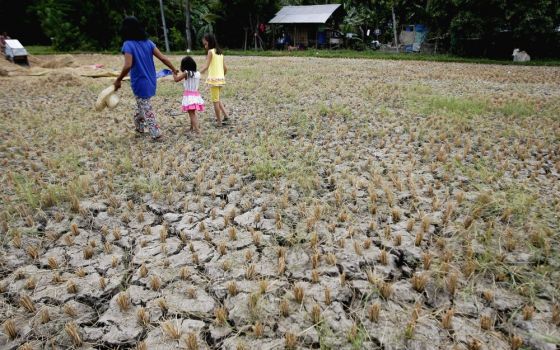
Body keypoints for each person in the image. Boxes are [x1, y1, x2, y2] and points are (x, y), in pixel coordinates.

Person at [114, 16, 178, 140]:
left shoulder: (128, 45)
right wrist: (173, 68)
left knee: (145, 107)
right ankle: (139, 127)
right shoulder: (148, 43)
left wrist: (118, 79)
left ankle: (156, 133)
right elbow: (163, 58)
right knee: (142, 105)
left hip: (139, 82)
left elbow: (127, 65)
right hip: (151, 80)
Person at [200, 33, 229, 127]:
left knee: (215, 101)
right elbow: (225, 69)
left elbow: (206, 66)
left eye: (205, 44)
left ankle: (219, 122)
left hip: (214, 81)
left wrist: (197, 73)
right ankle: (226, 116)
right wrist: (221, 76)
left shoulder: (210, 52)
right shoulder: (220, 53)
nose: (205, 46)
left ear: (209, 42)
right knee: (218, 99)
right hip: (220, 80)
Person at [173, 56, 204, 135]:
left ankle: (197, 130)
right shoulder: (197, 73)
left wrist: (173, 73)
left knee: (191, 114)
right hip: (196, 95)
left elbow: (176, 79)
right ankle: (192, 127)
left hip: (189, 96)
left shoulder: (186, 73)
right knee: (192, 112)